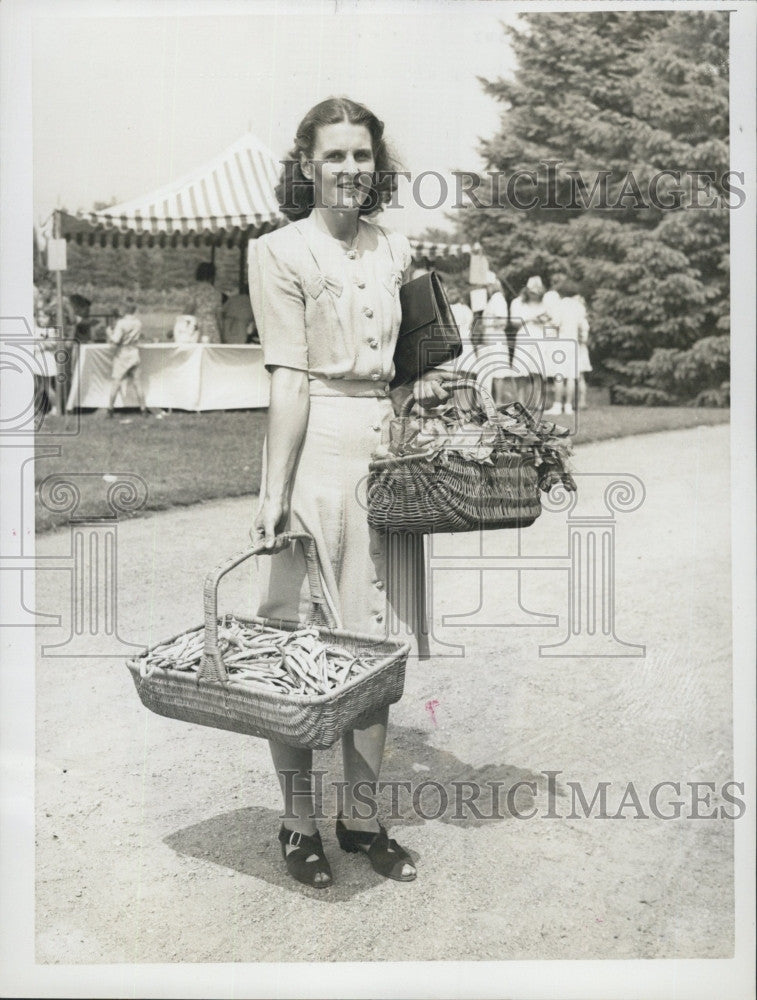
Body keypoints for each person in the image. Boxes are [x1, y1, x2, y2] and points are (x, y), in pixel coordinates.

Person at [248, 96, 454, 890]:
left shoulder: (394, 249)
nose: (349, 170)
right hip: (315, 454)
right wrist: (276, 491)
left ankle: (362, 819)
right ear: (306, 164)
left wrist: (426, 409)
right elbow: (289, 380)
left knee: (376, 652)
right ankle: (298, 824)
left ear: (377, 165)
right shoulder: (278, 253)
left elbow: (409, 367)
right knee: (296, 648)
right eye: (333, 156)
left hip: (383, 451)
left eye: (361, 156)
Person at [546, 282, 591, 414]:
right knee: (571, 375)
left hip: (561, 341)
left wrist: (550, 320)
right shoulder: (579, 307)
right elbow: (582, 326)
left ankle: (557, 404)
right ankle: (568, 406)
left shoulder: (559, 305)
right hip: (574, 343)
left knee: (559, 375)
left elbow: (555, 323)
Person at [508, 275, 551, 409]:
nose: (534, 294)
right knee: (521, 371)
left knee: (537, 371)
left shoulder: (545, 304)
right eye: (532, 291)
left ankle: (538, 402)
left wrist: (544, 320)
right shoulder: (517, 302)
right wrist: (531, 317)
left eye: (537, 291)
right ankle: (520, 402)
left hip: (539, 337)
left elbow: (551, 321)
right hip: (524, 338)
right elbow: (514, 322)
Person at [106, 298, 148, 417]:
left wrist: (109, 333)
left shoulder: (121, 323)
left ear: (124, 309)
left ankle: (110, 409)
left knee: (116, 381)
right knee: (137, 382)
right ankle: (143, 409)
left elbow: (115, 340)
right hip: (134, 352)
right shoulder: (138, 322)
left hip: (122, 354)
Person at [188, 262, 223, 343]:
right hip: (213, 328)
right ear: (212, 276)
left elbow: (189, 309)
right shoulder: (216, 293)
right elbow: (219, 316)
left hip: (196, 327)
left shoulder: (194, 290)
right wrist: (222, 335)